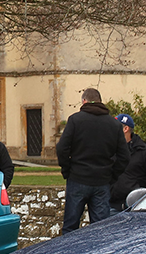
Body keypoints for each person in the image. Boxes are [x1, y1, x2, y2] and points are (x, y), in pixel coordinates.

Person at [55, 87, 130, 232]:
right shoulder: (113, 124)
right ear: (101, 102)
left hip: (78, 177)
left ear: (84, 101)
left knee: (71, 227)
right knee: (100, 230)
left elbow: (62, 148)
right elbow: (124, 156)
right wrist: (112, 175)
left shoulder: (76, 120)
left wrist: (67, 170)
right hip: (102, 180)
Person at [110, 113, 146, 210]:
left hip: (134, 208)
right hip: (110, 207)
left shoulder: (144, 152)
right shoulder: (109, 150)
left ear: (125, 129)